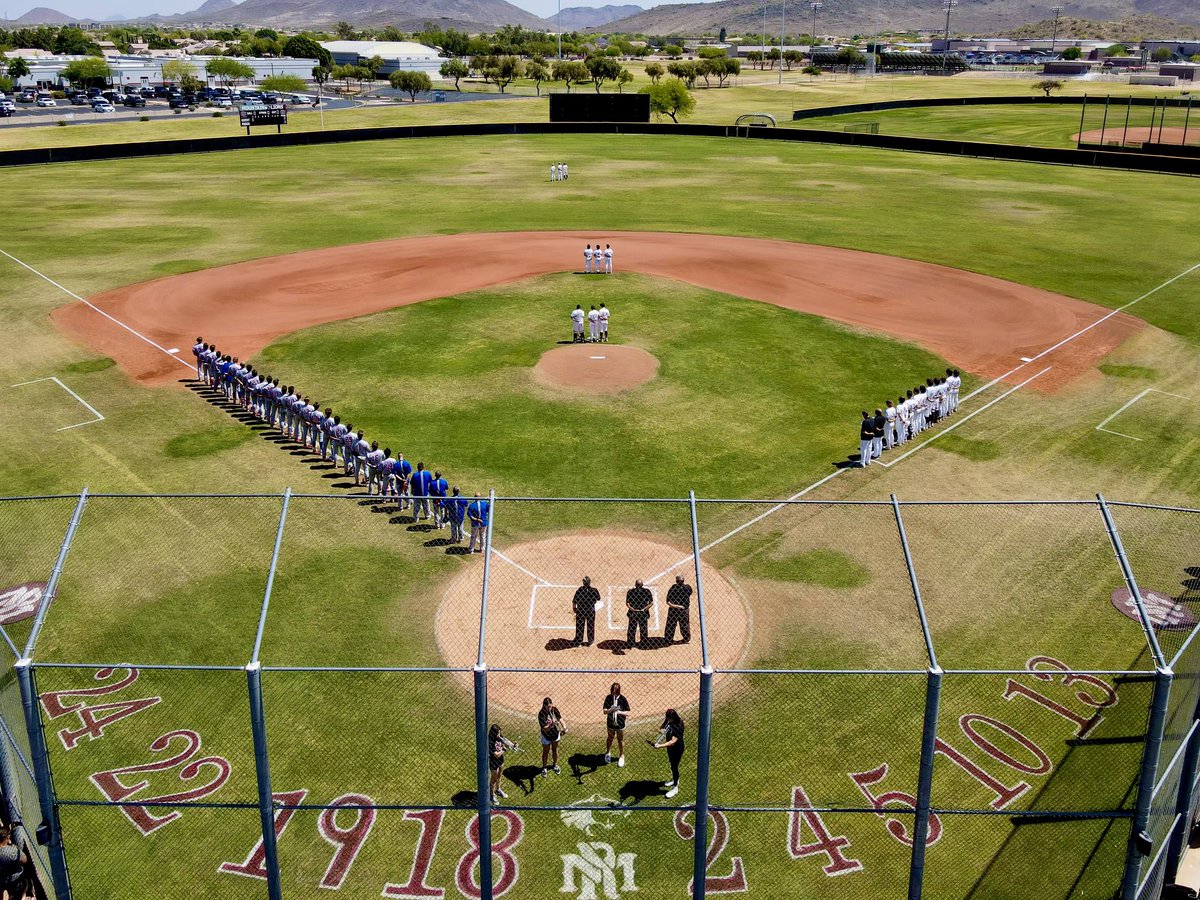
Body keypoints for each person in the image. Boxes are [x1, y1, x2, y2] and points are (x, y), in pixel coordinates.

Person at [647, 709, 685, 798]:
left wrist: (660, 746)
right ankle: (674, 779)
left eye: (669, 719)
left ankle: (675, 787)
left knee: (674, 767)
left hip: (677, 748)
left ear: (673, 717)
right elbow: (662, 728)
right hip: (670, 748)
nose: (667, 720)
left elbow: (673, 741)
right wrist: (661, 731)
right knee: (672, 765)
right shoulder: (668, 720)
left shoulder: (679, 726)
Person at [488, 723, 519, 803]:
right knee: (493, 779)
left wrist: (513, 745)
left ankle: (498, 790)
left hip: (501, 760)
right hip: (493, 761)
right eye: (498, 733)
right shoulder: (490, 741)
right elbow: (496, 755)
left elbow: (505, 740)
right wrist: (504, 750)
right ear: (494, 733)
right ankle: (491, 795)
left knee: (499, 775)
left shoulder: (499, 736)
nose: (499, 734)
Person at [603, 682, 630, 767]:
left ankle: (621, 755)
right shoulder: (608, 698)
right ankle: (608, 752)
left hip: (620, 724)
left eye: (615, 691)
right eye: (612, 691)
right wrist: (610, 710)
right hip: (610, 723)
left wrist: (619, 712)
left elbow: (628, 712)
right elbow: (604, 711)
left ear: (618, 691)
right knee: (610, 738)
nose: (613, 693)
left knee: (620, 740)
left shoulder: (623, 699)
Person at [538, 697, 567, 776]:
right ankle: (544, 767)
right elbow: (544, 729)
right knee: (546, 752)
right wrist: (551, 725)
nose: (550, 708)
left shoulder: (554, 710)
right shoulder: (541, 714)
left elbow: (560, 719)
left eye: (551, 706)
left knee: (555, 750)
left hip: (555, 735)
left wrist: (564, 727)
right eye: (548, 707)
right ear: (544, 706)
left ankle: (555, 765)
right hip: (546, 736)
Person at [0, 824, 29, 900]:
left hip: (1, 880)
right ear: (7, 837)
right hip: (14, 880)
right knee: (24, 883)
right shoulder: (12, 851)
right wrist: (13, 846)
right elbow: (25, 860)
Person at [572, 576, 600, 646]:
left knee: (580, 625)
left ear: (583, 583)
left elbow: (574, 601)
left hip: (581, 611)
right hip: (590, 611)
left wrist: (574, 608)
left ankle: (578, 641)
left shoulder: (580, 590)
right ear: (590, 582)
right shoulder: (594, 590)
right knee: (590, 625)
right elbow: (598, 598)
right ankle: (590, 641)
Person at [664, 575, 692, 644]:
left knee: (671, 624)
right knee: (684, 625)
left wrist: (676, 606)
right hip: (684, 610)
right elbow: (690, 592)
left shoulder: (673, 588)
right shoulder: (688, 588)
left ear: (676, 581)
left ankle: (668, 639)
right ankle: (686, 638)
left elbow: (668, 601)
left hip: (674, 610)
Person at [625, 580, 653, 649]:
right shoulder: (647, 591)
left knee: (631, 628)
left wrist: (632, 609)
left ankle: (630, 643)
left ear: (635, 584)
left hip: (633, 613)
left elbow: (627, 603)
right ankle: (643, 643)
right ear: (642, 584)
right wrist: (644, 609)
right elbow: (651, 603)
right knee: (643, 628)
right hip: (643, 613)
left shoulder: (630, 591)